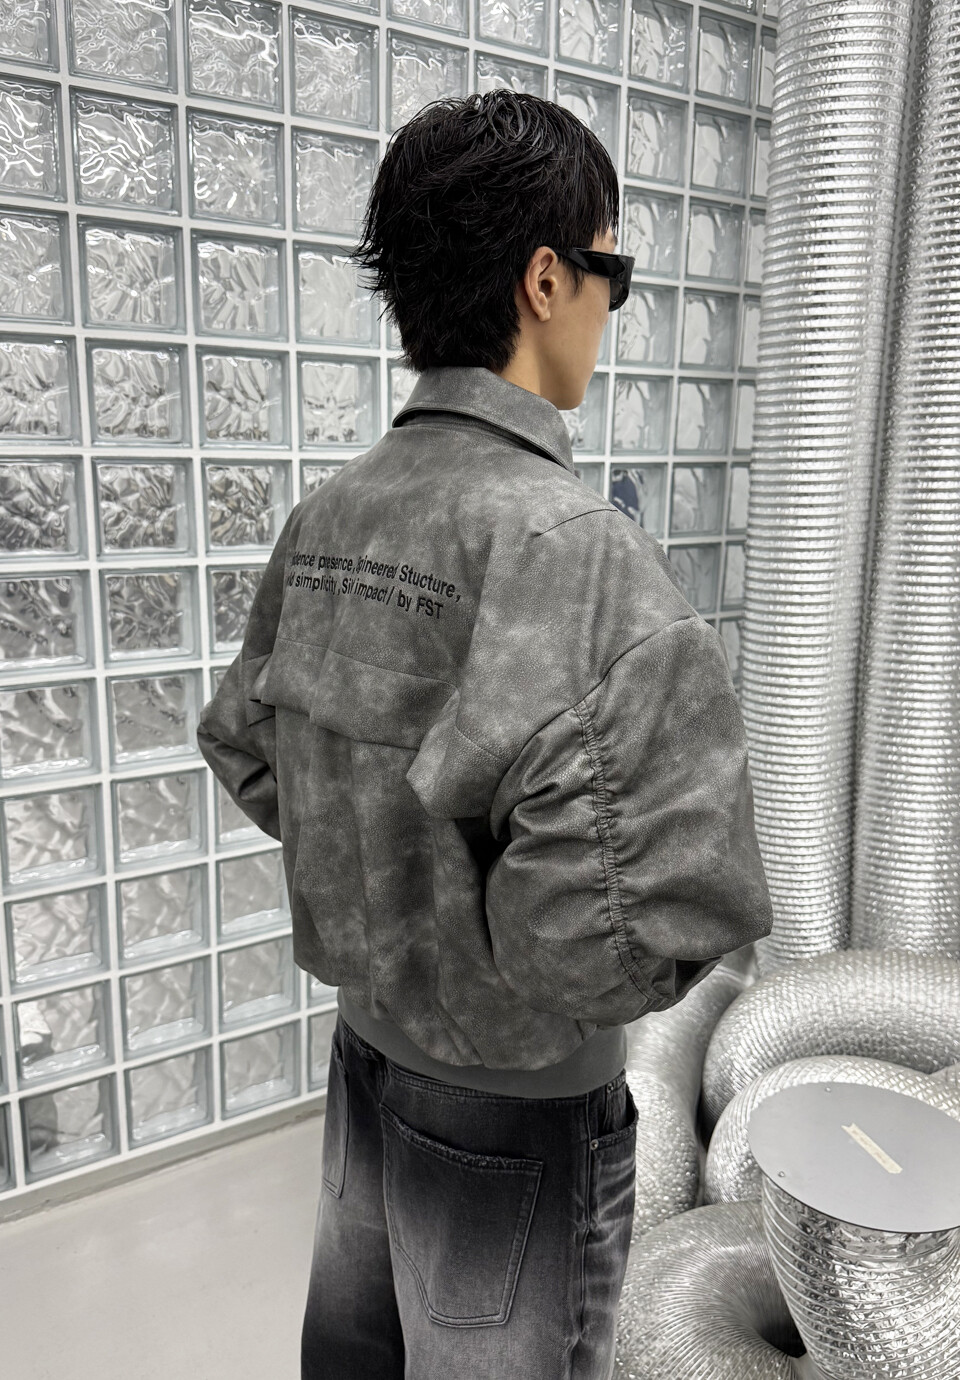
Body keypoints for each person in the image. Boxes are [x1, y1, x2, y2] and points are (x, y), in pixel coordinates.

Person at [197, 89, 774, 1380]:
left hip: (363, 1058)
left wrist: (391, 875)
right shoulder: (580, 552)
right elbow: (625, 933)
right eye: (614, 274)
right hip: (518, 1115)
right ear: (547, 279)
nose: (612, 312)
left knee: (356, 1358)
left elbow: (248, 745)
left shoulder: (333, 514)